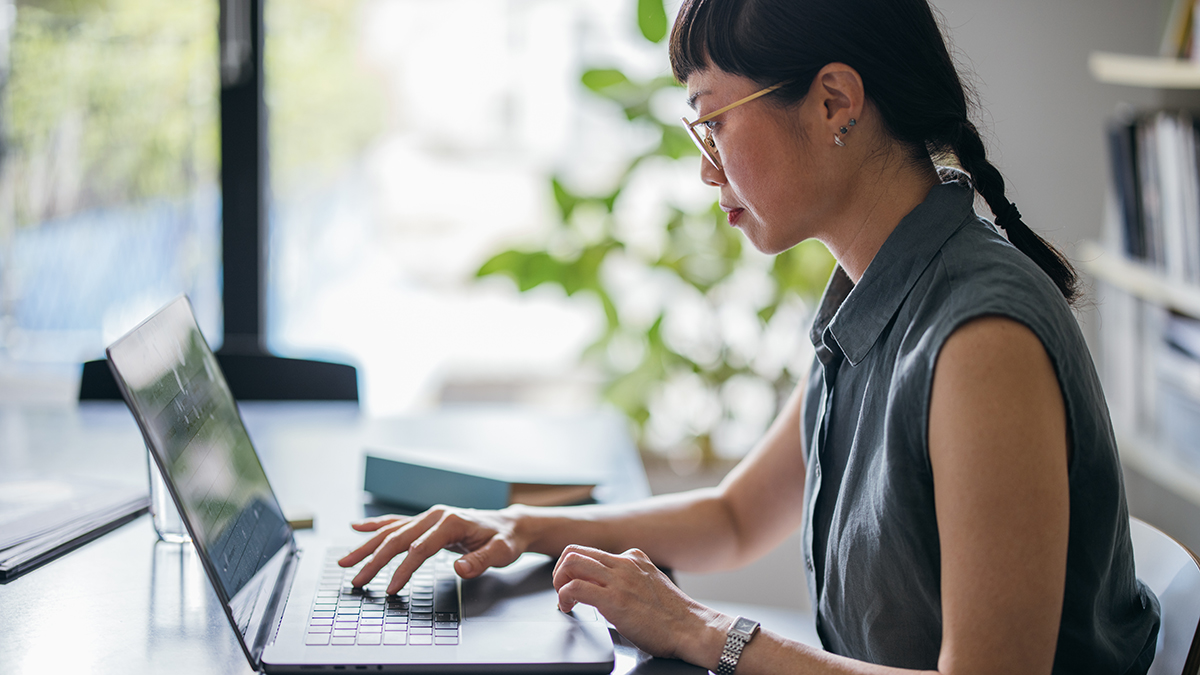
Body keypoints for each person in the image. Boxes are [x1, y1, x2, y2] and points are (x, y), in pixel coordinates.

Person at [339, 0, 1161, 673]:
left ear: (834, 102)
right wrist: (523, 526)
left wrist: (703, 630)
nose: (705, 167)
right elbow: (734, 518)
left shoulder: (981, 337)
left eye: (712, 120)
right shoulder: (882, 296)